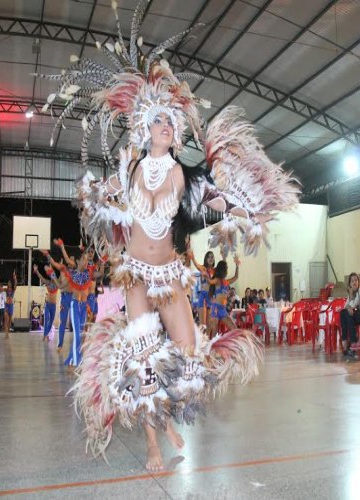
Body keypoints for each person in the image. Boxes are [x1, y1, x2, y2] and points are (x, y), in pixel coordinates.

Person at [41, 2, 298, 472]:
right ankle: (154, 444)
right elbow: (103, 204)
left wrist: (249, 211)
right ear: (145, 127)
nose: (164, 125)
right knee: (143, 364)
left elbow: (215, 201)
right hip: (136, 277)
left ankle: (168, 416)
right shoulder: (131, 166)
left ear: (175, 132)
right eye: (157, 120)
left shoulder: (183, 174)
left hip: (170, 275)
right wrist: (94, 197)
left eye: (169, 121)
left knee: (187, 358)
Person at [208, 258, 240, 338]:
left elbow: (236, 277)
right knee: (214, 333)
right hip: (215, 308)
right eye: (226, 268)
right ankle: (210, 348)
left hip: (223, 309)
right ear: (223, 269)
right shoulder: (217, 280)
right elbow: (210, 281)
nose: (227, 270)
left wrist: (237, 266)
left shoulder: (226, 282)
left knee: (234, 329)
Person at [340, 272, 360, 356]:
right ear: (349, 283)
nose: (354, 282)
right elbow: (346, 306)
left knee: (346, 314)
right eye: (352, 281)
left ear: (358, 282)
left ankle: (350, 343)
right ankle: (349, 343)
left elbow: (352, 305)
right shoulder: (353, 292)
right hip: (359, 314)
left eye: (356, 280)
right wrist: (349, 306)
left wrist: (350, 295)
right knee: (344, 313)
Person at [188, 250, 215, 327]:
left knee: (209, 326)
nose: (210, 258)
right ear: (206, 259)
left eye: (212, 257)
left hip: (211, 297)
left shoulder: (215, 271)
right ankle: (201, 339)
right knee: (203, 325)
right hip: (203, 296)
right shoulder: (203, 269)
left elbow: (222, 268)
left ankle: (208, 339)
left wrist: (223, 256)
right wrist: (192, 258)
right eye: (209, 257)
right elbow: (197, 265)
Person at [33, 264, 58, 341]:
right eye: (52, 275)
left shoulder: (57, 284)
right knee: (46, 320)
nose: (53, 277)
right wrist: (36, 270)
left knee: (51, 322)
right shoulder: (48, 282)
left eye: (54, 275)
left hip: (54, 305)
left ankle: (46, 334)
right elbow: (41, 277)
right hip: (48, 304)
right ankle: (45, 335)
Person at [0, 271, 17, 339]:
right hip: (6, 306)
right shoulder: (6, 289)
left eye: (10, 282)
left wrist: (15, 278)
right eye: (8, 282)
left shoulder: (13, 289)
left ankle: (7, 333)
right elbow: (0, 289)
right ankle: (6, 334)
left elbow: (16, 283)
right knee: (6, 319)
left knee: (9, 322)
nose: (9, 283)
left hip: (11, 306)